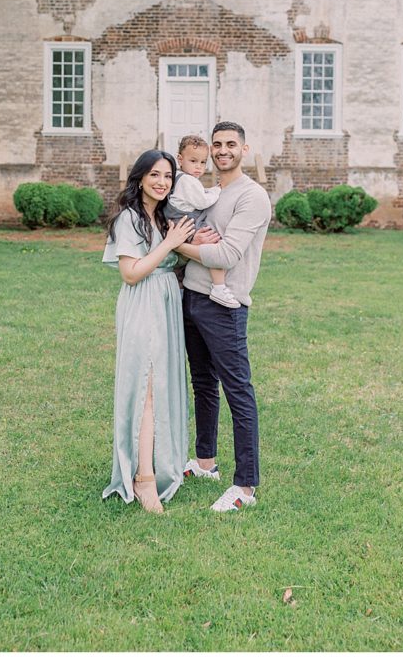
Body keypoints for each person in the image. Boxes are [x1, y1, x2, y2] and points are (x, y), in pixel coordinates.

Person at [175, 121, 272, 513]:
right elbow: (186, 238)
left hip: (226, 306)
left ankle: (245, 486)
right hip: (192, 297)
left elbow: (226, 255)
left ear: (244, 150)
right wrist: (185, 242)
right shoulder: (205, 193)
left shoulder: (252, 197)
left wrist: (179, 244)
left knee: (238, 392)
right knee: (202, 384)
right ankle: (205, 463)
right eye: (217, 144)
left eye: (230, 144)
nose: (222, 150)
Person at [102, 149, 195, 514]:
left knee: (164, 385)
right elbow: (131, 271)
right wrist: (171, 245)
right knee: (147, 388)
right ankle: (143, 478)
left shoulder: (163, 218)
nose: (162, 182)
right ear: (140, 178)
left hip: (167, 304)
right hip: (143, 303)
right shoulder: (129, 219)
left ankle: (162, 463)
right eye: (155, 175)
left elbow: (173, 259)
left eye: (168, 176)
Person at [164, 133, 240, 309]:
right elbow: (203, 201)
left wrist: (211, 190)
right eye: (193, 161)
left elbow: (199, 195)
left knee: (182, 269)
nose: (199, 167)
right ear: (180, 159)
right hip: (187, 224)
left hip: (179, 223)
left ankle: (181, 290)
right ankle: (219, 287)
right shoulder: (187, 181)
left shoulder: (181, 180)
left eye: (203, 162)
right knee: (213, 245)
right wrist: (218, 191)